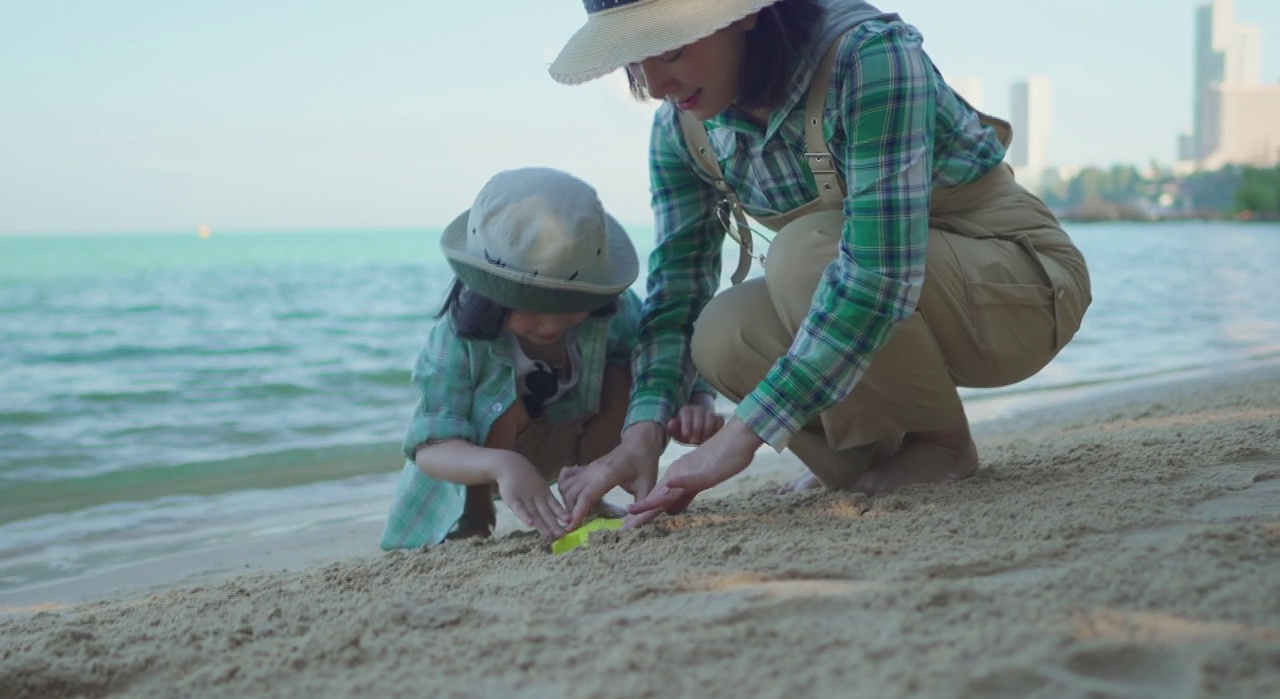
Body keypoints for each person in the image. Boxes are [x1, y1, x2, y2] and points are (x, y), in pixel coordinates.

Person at [548, 0, 1092, 530]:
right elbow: (677, 293)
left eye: (667, 51)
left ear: (745, 12)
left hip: (1017, 290)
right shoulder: (681, 129)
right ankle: (872, 460)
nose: (656, 87)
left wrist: (741, 435)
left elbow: (878, 275)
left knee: (805, 250)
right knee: (720, 333)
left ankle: (943, 447)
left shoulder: (867, 56)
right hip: (890, 299)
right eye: (633, 64)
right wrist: (642, 434)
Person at [380, 167, 723, 549]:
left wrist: (696, 398)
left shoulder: (609, 312)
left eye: (569, 303)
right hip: (481, 462)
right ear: (486, 290)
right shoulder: (459, 337)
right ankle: (476, 512)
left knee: (626, 373)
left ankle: (587, 490)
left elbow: (662, 350)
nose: (551, 322)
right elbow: (430, 449)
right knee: (505, 401)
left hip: (566, 442)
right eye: (533, 304)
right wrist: (502, 464)